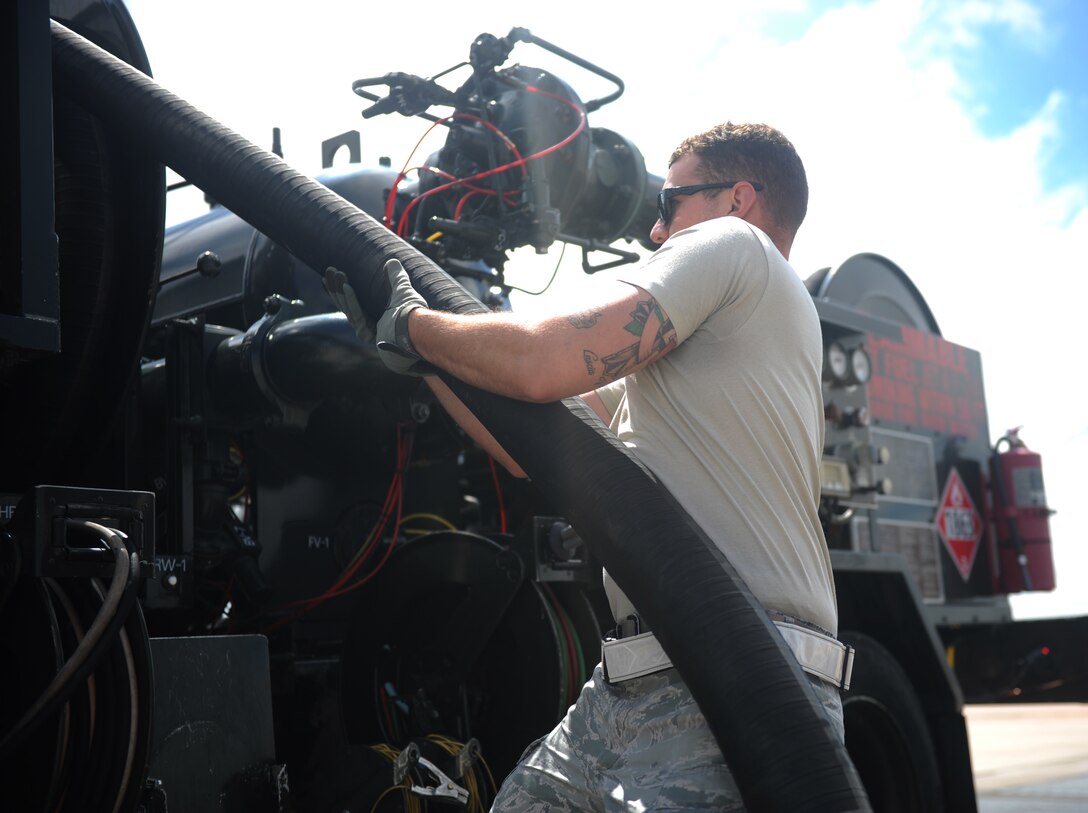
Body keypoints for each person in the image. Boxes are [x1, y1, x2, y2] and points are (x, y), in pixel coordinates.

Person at [328, 121, 848, 810]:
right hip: (638, 679)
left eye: (672, 203)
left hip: (739, 676)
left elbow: (544, 358)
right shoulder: (720, 340)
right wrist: (418, 355)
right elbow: (528, 442)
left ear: (739, 199)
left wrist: (416, 325)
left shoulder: (733, 245)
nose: (658, 233)